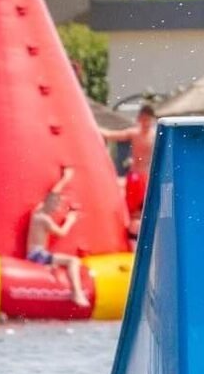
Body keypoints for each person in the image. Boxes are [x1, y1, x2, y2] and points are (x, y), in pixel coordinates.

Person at [25, 168, 91, 311]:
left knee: (60, 261)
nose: (56, 208)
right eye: (55, 205)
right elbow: (61, 232)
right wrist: (70, 220)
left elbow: (53, 194)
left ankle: (74, 291)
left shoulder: (37, 213)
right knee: (73, 261)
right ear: (48, 204)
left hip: (35, 253)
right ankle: (77, 292)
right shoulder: (44, 219)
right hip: (37, 254)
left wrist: (65, 179)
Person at [100, 100, 157, 239]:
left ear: (152, 119)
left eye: (147, 119)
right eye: (143, 119)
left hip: (148, 176)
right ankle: (132, 235)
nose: (145, 122)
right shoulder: (134, 133)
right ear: (139, 119)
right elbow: (112, 135)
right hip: (136, 176)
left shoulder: (156, 135)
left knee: (146, 208)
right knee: (132, 209)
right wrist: (93, 128)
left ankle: (144, 234)